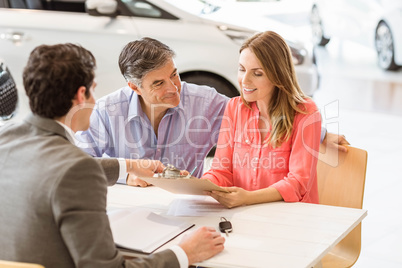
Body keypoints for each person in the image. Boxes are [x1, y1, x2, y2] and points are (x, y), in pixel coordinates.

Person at [0, 43, 225, 268]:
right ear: (81, 95)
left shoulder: (6, 141)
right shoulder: (77, 169)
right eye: (93, 89)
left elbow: (55, 167)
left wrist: (127, 166)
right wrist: (184, 253)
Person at [76, 37, 349, 187]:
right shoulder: (107, 112)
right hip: (127, 211)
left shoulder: (204, 102)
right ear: (134, 87)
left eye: (175, 75)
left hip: (184, 214)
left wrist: (320, 133)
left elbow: (258, 111)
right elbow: (78, 166)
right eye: (159, 83)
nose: (174, 88)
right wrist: (127, 174)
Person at [202, 31, 322, 208]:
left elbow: (298, 183)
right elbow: (222, 171)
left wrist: (248, 198)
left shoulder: (306, 112)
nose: (245, 80)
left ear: (278, 75)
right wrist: (201, 186)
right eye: (242, 69)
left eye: (257, 73)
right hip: (245, 213)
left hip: (292, 217)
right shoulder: (235, 108)